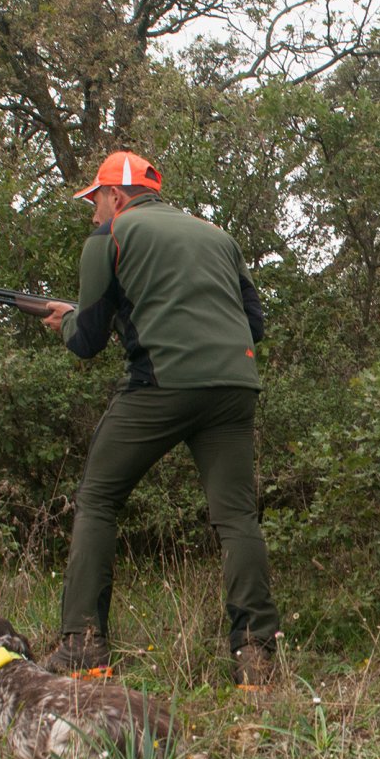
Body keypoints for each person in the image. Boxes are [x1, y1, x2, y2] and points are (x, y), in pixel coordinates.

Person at [40, 150, 279, 687]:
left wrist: (66, 322)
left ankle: (83, 646)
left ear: (115, 195)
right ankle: (256, 654)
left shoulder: (110, 235)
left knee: (98, 499)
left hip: (161, 385)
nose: (93, 213)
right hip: (235, 387)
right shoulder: (217, 235)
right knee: (236, 517)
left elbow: (86, 340)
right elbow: (255, 324)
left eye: (95, 201)